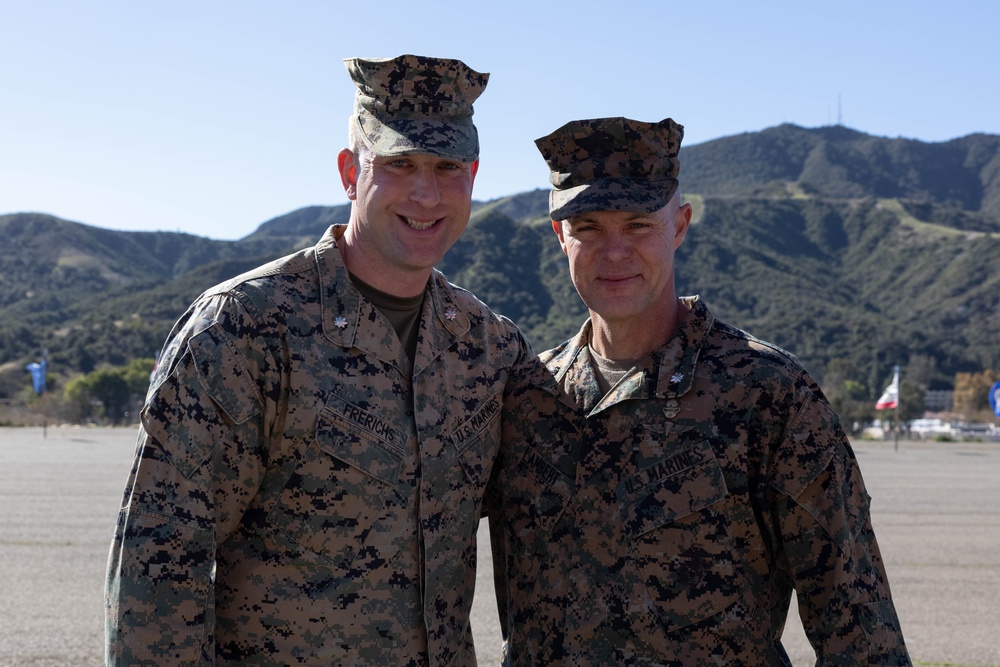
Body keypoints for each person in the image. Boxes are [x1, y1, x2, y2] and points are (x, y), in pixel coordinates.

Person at [105, 54, 531, 666]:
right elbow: (159, 563)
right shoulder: (248, 327)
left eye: (447, 167)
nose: (426, 192)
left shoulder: (488, 348)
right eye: (398, 164)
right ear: (350, 172)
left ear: (473, 174)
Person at [486, 116, 910, 665]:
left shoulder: (767, 394)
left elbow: (857, 624)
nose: (614, 251)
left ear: (680, 226)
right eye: (588, 226)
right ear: (558, 234)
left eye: (638, 224)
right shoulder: (527, 397)